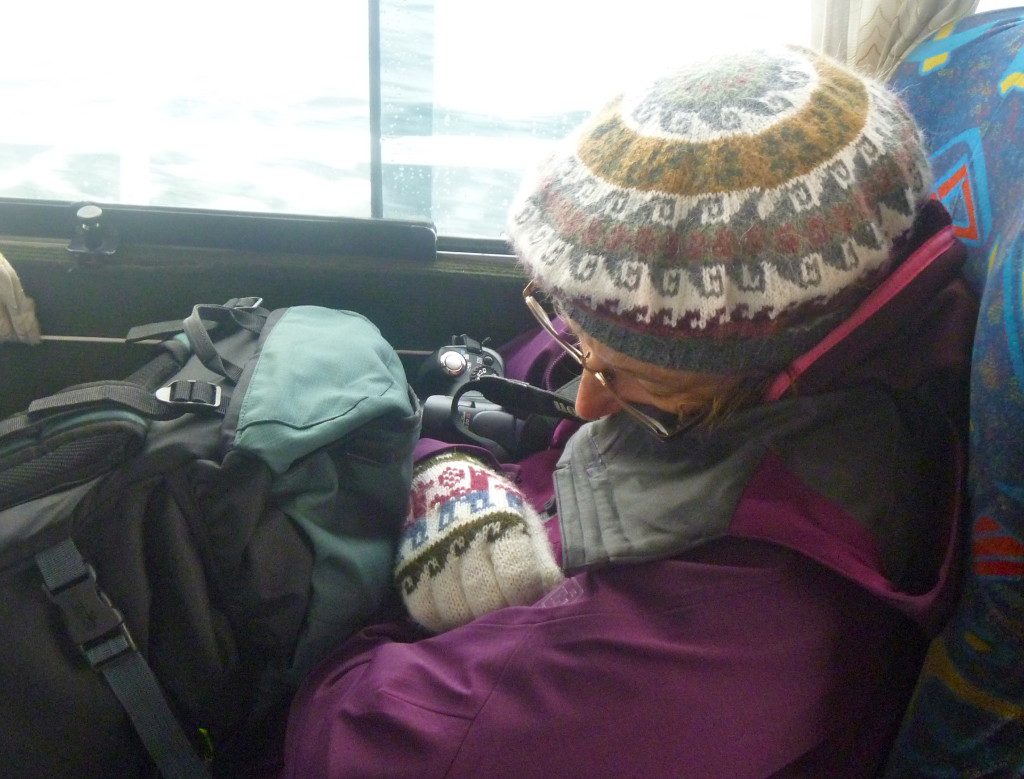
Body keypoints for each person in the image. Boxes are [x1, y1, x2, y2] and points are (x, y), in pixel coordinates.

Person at [280, 45, 973, 777]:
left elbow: (345, 740)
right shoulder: (737, 330)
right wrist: (444, 473)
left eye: (631, 378)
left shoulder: (731, 624)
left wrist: (378, 603)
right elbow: (520, 379)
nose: (586, 399)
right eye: (580, 340)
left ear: (782, 371)